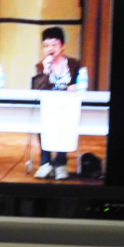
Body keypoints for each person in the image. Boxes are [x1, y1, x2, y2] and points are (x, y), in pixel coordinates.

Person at [31, 26, 80, 179]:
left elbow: (81, 84)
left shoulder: (73, 64)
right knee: (42, 121)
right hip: (48, 108)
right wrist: (47, 70)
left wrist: (76, 87)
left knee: (66, 123)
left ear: (62, 46)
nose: (50, 49)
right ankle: (45, 162)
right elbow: (39, 88)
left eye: (54, 44)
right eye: (46, 45)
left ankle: (61, 163)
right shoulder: (41, 65)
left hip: (68, 108)